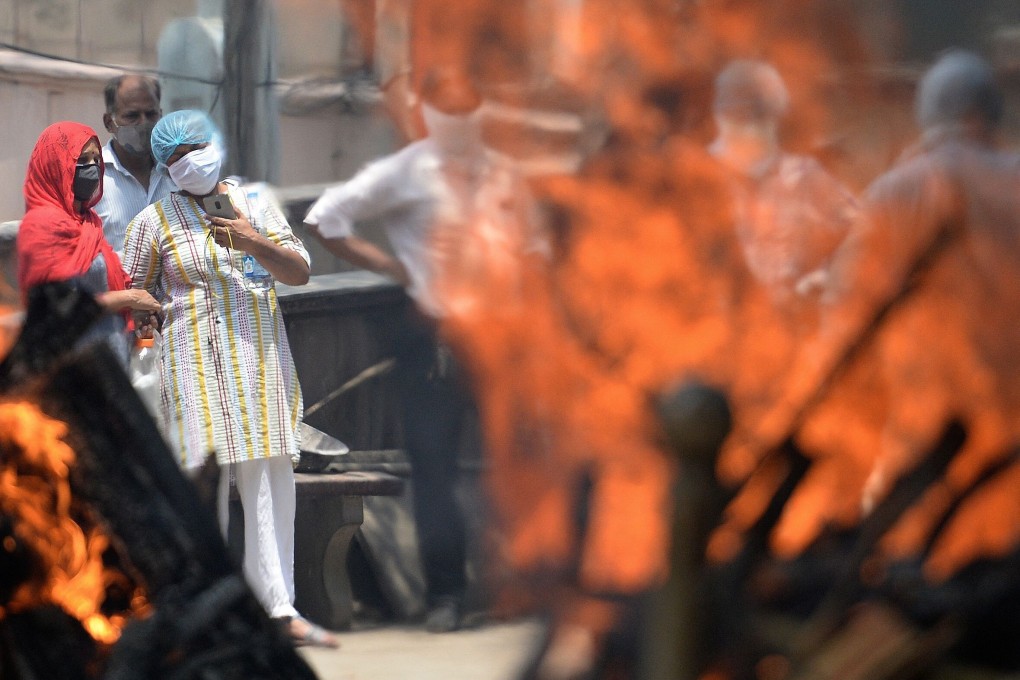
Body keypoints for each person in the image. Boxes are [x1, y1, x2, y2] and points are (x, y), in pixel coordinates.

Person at [304, 67, 540, 632]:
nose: (459, 117)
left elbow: (535, 249)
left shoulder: (505, 173)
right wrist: (390, 265)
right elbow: (323, 218)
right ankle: (447, 595)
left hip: (502, 338)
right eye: (448, 108)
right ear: (430, 113)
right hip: (435, 336)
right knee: (434, 471)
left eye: (469, 105)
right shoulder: (407, 171)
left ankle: (521, 587)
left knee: (515, 465)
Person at [120, 110, 336, 648]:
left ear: (214, 144)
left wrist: (249, 239)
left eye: (194, 147)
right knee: (206, 485)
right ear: (166, 168)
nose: (187, 161)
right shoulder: (153, 221)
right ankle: (208, 617)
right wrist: (145, 317)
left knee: (268, 482)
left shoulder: (258, 204)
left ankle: (278, 609)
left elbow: (299, 270)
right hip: (193, 370)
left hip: (261, 367)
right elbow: (136, 289)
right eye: (173, 157)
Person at [709, 59, 859, 307]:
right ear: (720, 117)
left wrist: (824, 276)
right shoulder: (698, 174)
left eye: (762, 118)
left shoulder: (803, 174)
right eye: (739, 117)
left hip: (789, 319)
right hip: (709, 324)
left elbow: (862, 232)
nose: (752, 129)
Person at [16, 121, 161, 363]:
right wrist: (129, 299)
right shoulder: (42, 226)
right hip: (70, 367)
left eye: (96, 160)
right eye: (82, 160)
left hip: (108, 358)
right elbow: (57, 308)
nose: (92, 167)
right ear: (55, 165)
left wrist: (136, 313)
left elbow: (102, 286)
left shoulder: (88, 221)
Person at [94, 74, 176, 258]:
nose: (144, 123)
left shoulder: (179, 172)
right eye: (132, 116)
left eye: (150, 114)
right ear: (109, 123)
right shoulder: (93, 179)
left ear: (160, 115)